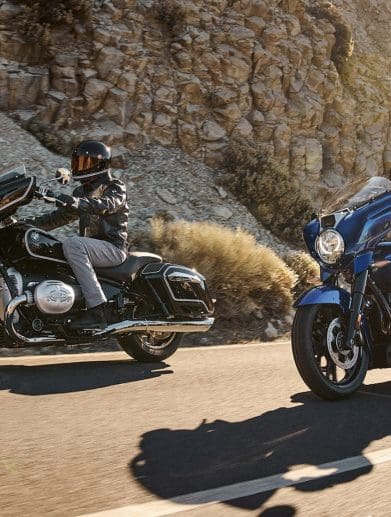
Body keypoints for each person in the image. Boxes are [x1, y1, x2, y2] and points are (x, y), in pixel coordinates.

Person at [26, 140, 129, 330]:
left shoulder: (115, 186)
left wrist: (68, 200)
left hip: (113, 248)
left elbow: (107, 205)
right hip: (91, 249)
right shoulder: (81, 191)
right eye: (78, 162)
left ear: (100, 164)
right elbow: (57, 219)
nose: (80, 167)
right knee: (50, 249)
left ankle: (98, 309)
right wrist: (24, 226)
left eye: (86, 162)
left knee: (73, 244)